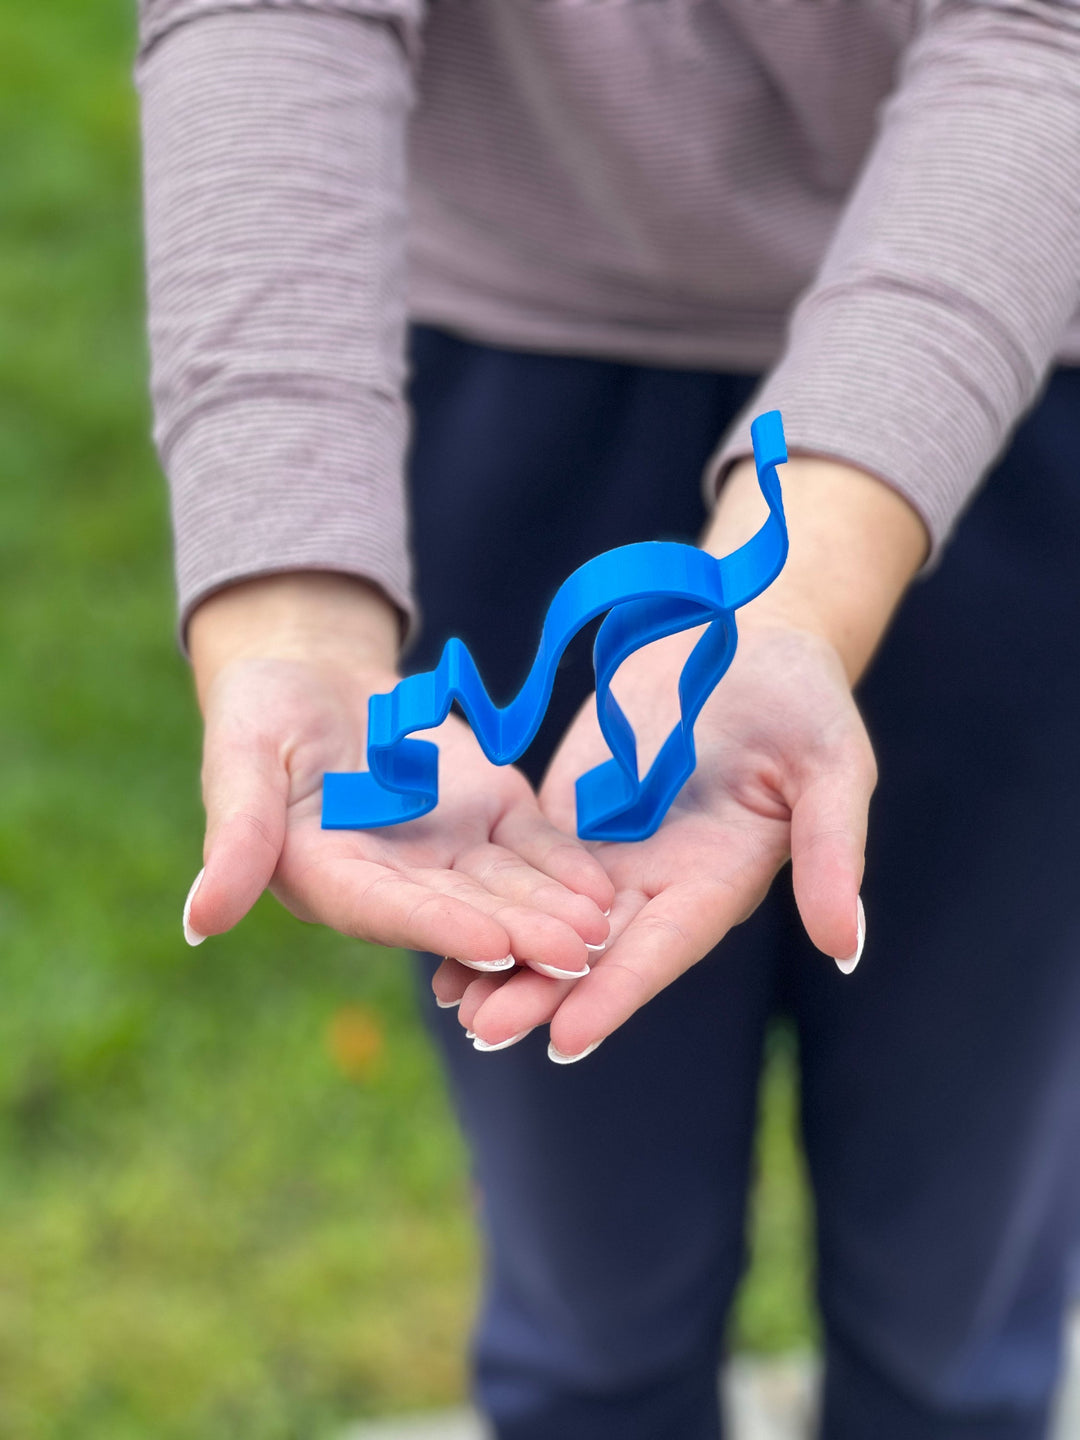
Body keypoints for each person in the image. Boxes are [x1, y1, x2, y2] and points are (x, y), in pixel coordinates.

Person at [137, 2, 1080, 1436]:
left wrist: (801, 580)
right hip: (513, 356)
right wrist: (293, 593)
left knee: (966, 1275)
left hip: (1018, 334)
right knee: (590, 1290)